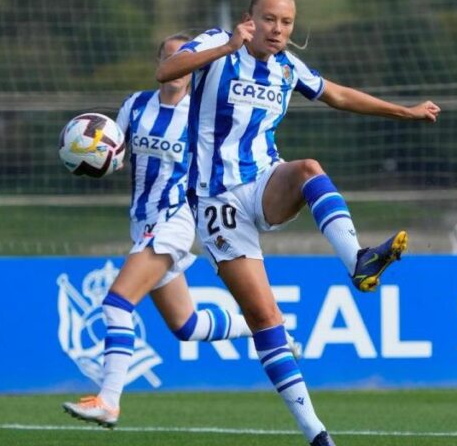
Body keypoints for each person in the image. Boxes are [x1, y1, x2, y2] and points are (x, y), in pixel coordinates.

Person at [155, 0, 440, 446]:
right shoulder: (216, 45)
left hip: (264, 183)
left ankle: (359, 261)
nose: (278, 29)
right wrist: (228, 44)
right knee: (265, 318)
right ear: (251, 18)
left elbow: (339, 95)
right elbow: (165, 70)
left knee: (308, 169)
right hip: (216, 203)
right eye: (269, 19)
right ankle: (318, 435)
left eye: (286, 22)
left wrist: (403, 113)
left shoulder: (288, 68)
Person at [62, 34, 300, 428]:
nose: (178, 66)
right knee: (186, 326)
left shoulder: (200, 114)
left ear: (193, 68)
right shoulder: (135, 106)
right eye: (170, 57)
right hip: (143, 222)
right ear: (160, 64)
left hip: (177, 219)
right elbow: (113, 154)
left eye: (184, 58)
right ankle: (273, 329)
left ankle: (108, 400)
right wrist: (90, 156)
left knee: (117, 303)